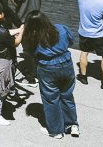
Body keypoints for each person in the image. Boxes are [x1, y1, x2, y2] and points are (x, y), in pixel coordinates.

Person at [23, 10, 80, 139]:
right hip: (66, 64)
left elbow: (29, 52)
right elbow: (71, 40)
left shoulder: (33, 38)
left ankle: (56, 131)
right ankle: (72, 125)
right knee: (67, 95)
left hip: (47, 67)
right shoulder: (61, 28)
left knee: (50, 99)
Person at [7, 0, 43, 84]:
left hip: (24, 21)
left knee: (27, 50)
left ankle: (30, 76)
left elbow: (16, 3)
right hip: (37, 19)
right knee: (35, 47)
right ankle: (37, 71)